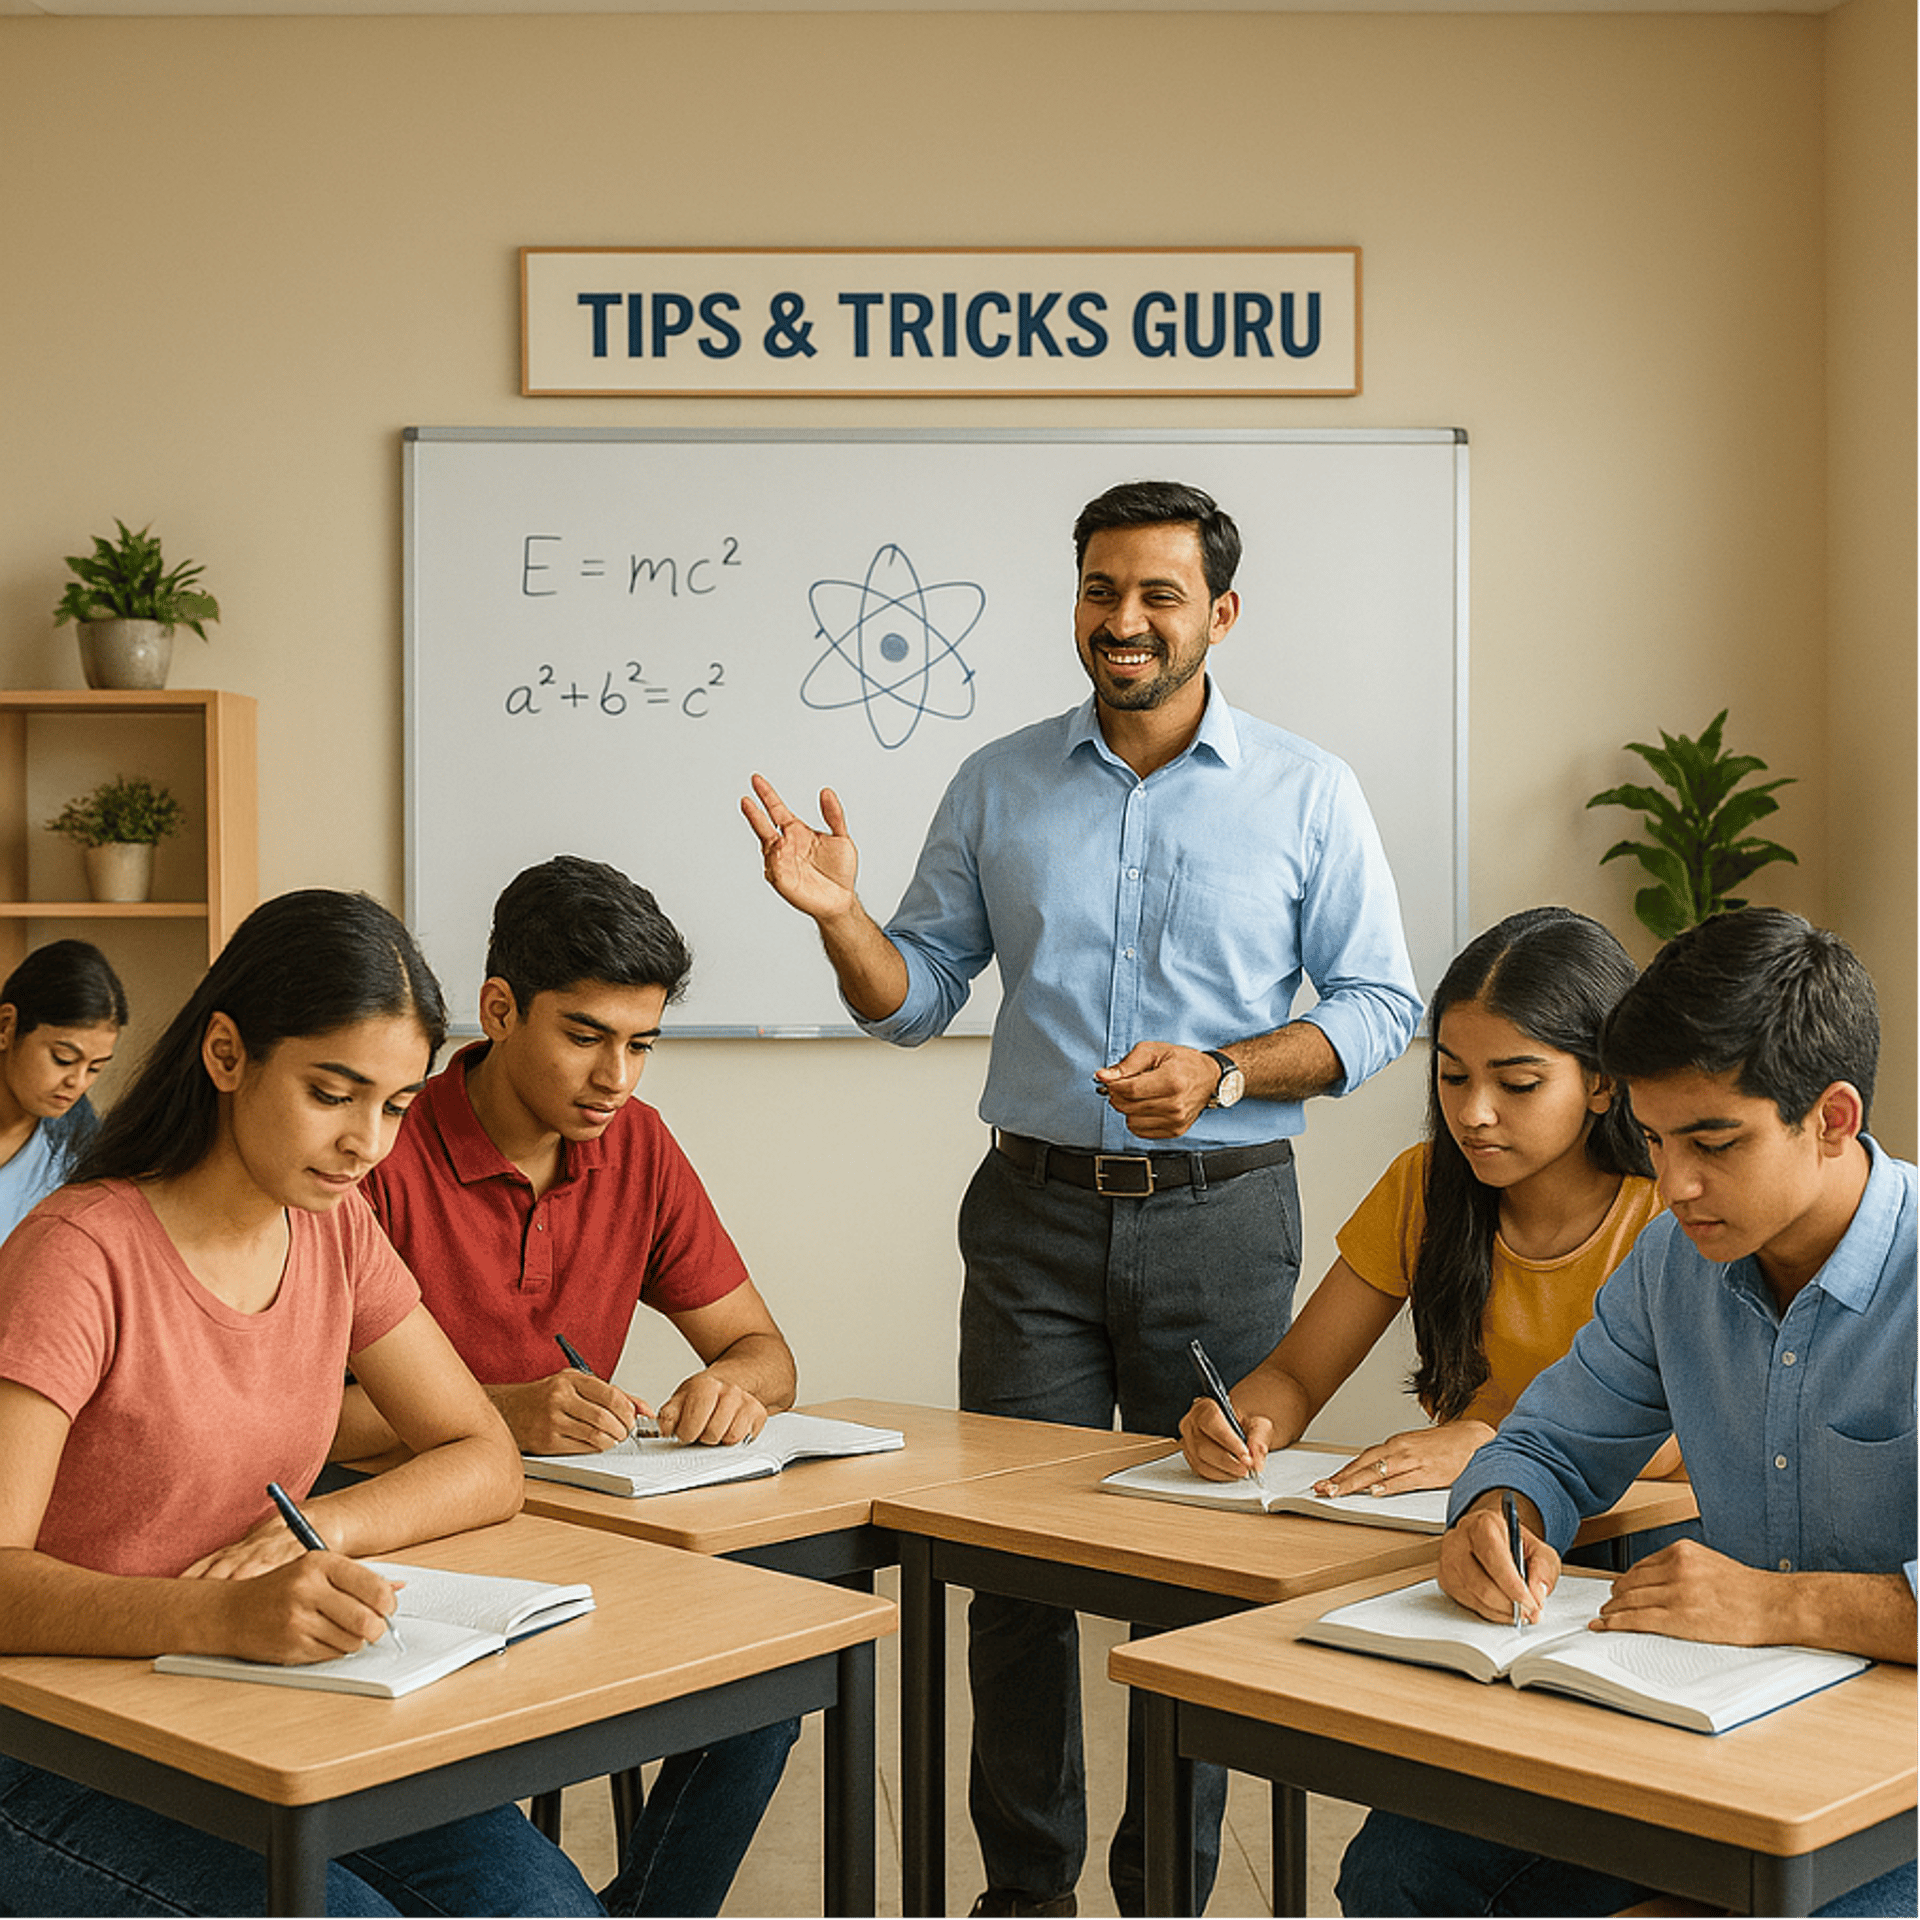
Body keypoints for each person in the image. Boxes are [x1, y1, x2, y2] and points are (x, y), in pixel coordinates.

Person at [744, 480, 1423, 1919]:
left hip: (1223, 1218)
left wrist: (1228, 1073)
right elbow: (914, 1000)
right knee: (1013, 1576)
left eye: (1159, 594)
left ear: (1220, 612)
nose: (1125, 620)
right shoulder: (997, 783)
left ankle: (1164, 1893)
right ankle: (1026, 1895)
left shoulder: (1309, 790)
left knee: (1207, 1565)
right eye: (1101, 590)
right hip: (1033, 1222)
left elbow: (1380, 1006)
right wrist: (843, 917)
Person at [0, 889, 602, 1917]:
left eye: (396, 1106)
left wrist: (318, 1531)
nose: (368, 1142)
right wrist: (220, 1615)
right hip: (51, 1744)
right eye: (333, 1093)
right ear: (226, 1054)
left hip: (253, 1699)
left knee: (545, 1912)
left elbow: (481, 1454)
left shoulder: (333, 1226)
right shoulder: (78, 1254)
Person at [1338, 907, 1918, 1920]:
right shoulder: (1672, 1264)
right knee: (1401, 1870)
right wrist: (1499, 1515)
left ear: (1832, 1118)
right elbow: (1548, 1444)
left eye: (1713, 1142)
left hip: (1895, 1783)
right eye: (1654, 1139)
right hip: (1721, 1728)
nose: (1674, 1183)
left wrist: (1779, 1607)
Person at [332, 854, 799, 1920]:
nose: (617, 1077)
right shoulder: (379, 1148)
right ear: (499, 1010)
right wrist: (498, 1411)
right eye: (586, 1036)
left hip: (577, 1534)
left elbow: (763, 1348)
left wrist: (733, 1384)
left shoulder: (640, 1145)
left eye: (642, 1044)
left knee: (768, 1686)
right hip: (403, 1539)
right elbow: (304, 1419)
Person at [1180, 906, 1681, 1497]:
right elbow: (1295, 1375)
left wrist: (1490, 1445)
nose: (1473, 1114)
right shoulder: (1423, 1185)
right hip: (1475, 1514)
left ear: (1603, 1082)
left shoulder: (1675, 1210)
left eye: (1518, 1085)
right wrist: (1242, 1422)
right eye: (1453, 1077)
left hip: (1643, 1525)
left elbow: (1684, 1435)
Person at [0, 938, 127, 1241]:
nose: (78, 1082)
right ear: (6, 1026)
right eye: (63, 1058)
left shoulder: (81, 1156)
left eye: (95, 1068)